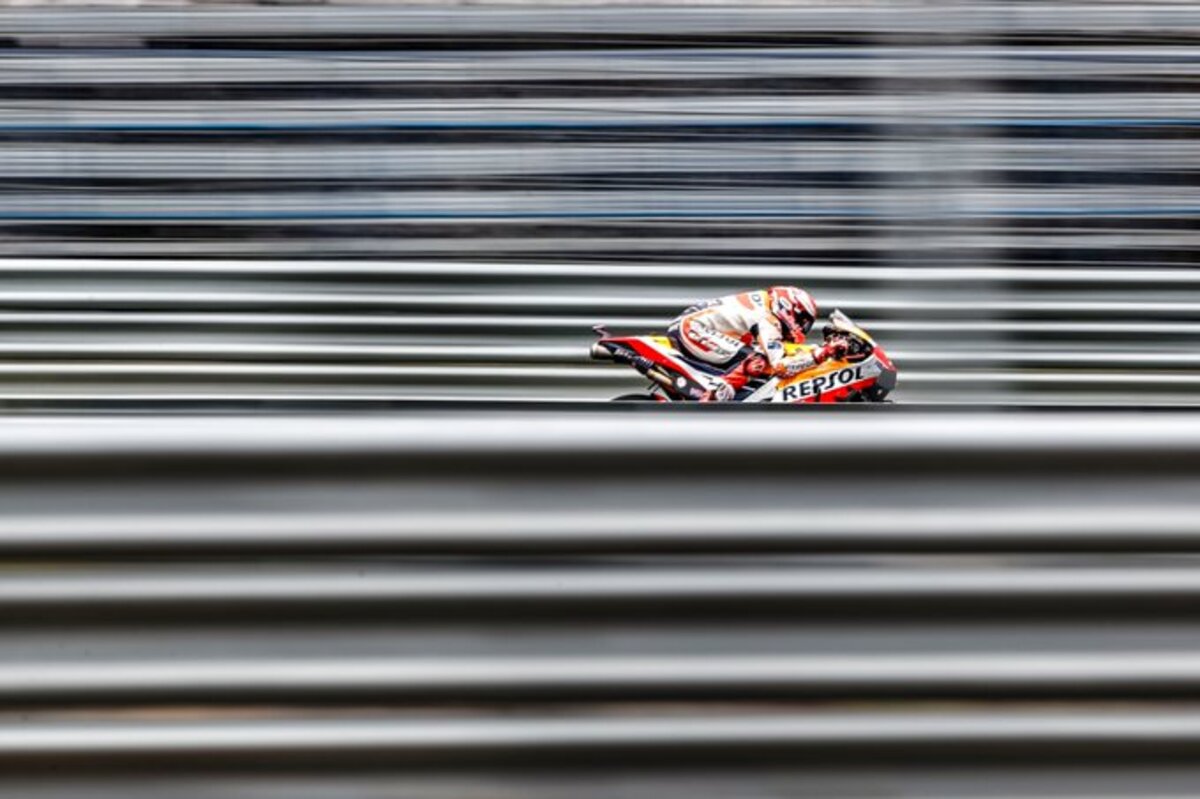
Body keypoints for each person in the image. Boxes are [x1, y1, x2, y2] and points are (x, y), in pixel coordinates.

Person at [666, 286, 850, 402]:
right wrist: (821, 353)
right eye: (801, 321)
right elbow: (781, 366)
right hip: (692, 328)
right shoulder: (767, 319)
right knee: (757, 362)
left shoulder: (764, 304)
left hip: (693, 325)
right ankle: (714, 397)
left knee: (758, 356)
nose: (801, 328)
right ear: (789, 307)